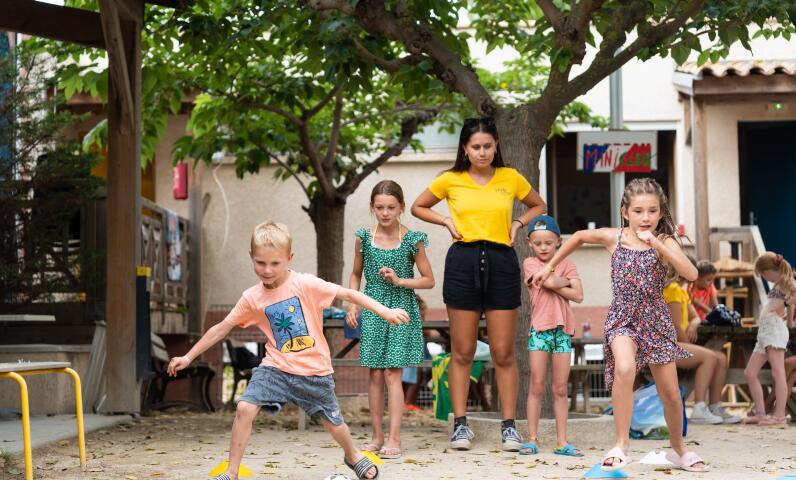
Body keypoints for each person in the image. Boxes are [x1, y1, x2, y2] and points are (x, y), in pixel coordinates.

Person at [168, 221, 411, 480]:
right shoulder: (251, 297)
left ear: (289, 258)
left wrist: (385, 311)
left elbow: (349, 295)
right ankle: (232, 472)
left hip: (314, 372)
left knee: (335, 425)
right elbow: (221, 328)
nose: (267, 270)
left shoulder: (305, 284)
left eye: (275, 263)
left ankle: (352, 455)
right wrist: (188, 356)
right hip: (276, 368)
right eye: (260, 263)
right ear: (251, 257)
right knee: (245, 408)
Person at [532, 177, 710, 473]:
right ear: (625, 212)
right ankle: (621, 444)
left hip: (656, 320)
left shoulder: (664, 241)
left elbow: (691, 273)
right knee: (625, 368)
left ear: (661, 212)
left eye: (652, 211)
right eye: (638, 211)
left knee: (669, 392)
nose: (646, 217)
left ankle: (679, 448)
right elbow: (578, 236)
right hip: (622, 318)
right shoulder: (613, 238)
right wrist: (550, 266)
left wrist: (657, 244)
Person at [411, 117, 546, 451]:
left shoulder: (510, 177)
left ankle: (509, 427)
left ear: (496, 145)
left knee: (503, 352)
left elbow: (539, 205)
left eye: (487, 146)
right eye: (476, 147)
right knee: (462, 351)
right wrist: (445, 220)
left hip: (501, 262)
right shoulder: (450, 179)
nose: (482, 152)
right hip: (463, 262)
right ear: (465, 149)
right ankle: (460, 425)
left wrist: (518, 223)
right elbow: (418, 206)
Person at [346, 180, 434, 459]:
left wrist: (399, 280)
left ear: (401, 207)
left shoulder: (413, 239)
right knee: (374, 373)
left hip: (401, 308)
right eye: (380, 207)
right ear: (372, 207)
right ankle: (377, 437)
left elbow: (429, 280)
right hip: (372, 306)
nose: (385, 213)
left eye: (391, 207)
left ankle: (394, 438)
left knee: (392, 373)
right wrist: (352, 303)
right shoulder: (363, 238)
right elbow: (355, 274)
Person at [519, 215, 584, 457]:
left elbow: (579, 296)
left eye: (548, 242)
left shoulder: (568, 264)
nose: (543, 248)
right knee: (536, 385)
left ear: (558, 241)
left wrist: (559, 281)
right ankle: (532, 439)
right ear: (529, 243)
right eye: (538, 243)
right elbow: (546, 282)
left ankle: (562, 441)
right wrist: (565, 282)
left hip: (563, 331)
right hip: (540, 330)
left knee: (560, 388)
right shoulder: (530, 263)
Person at [663, 258, 740, 424]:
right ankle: (699, 408)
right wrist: (689, 347)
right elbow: (676, 326)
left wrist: (693, 324)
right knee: (710, 357)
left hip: (676, 344)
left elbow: (695, 317)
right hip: (667, 345)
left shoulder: (681, 291)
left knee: (720, 357)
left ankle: (714, 406)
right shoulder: (673, 289)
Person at [742, 252, 796, 426]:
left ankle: (779, 415)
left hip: (774, 329)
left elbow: (792, 296)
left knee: (778, 372)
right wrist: (789, 320)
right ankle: (761, 413)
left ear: (768, 271)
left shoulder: (786, 281)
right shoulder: (779, 284)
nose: (766, 279)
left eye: (764, 275)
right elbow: (788, 306)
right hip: (766, 331)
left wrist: (787, 306)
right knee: (750, 373)